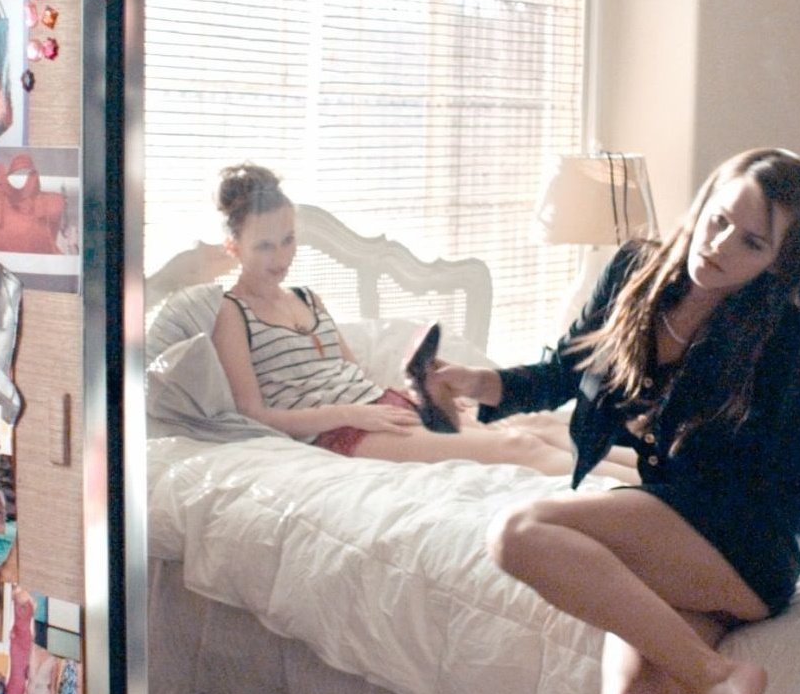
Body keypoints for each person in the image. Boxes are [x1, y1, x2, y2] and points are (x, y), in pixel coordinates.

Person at [429, 148, 800, 694]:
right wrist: (478, 383)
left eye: (752, 242)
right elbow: (566, 371)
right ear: (703, 204)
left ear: (777, 262)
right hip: (674, 545)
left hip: (746, 549)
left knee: (518, 532)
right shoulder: (633, 272)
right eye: (719, 220)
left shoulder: (776, 331)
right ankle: (716, 679)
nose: (720, 244)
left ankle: (719, 679)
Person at [210, 163, 640, 483]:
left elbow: (354, 373)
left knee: (534, 424)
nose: (281, 257)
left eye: (288, 240)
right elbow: (254, 414)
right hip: (338, 430)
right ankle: (642, 499)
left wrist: (420, 398)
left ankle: (662, 480)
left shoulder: (308, 299)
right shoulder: (232, 312)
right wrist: (351, 413)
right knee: (517, 445)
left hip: (380, 405)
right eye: (264, 246)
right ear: (233, 247)